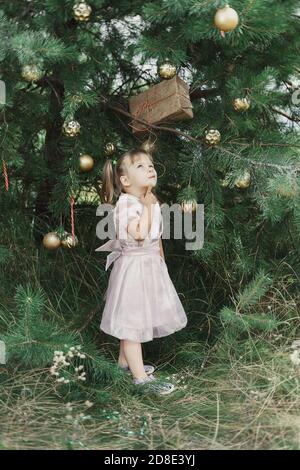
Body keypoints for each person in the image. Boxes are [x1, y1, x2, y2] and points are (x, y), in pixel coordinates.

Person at [96, 147, 188, 395]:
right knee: (131, 323)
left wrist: (162, 262)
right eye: (140, 166)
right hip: (133, 270)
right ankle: (140, 381)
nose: (150, 168)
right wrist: (148, 207)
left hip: (149, 267)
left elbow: (156, 237)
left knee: (137, 316)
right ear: (125, 181)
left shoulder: (148, 200)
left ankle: (124, 364)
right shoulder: (126, 204)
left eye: (151, 165)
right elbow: (138, 233)